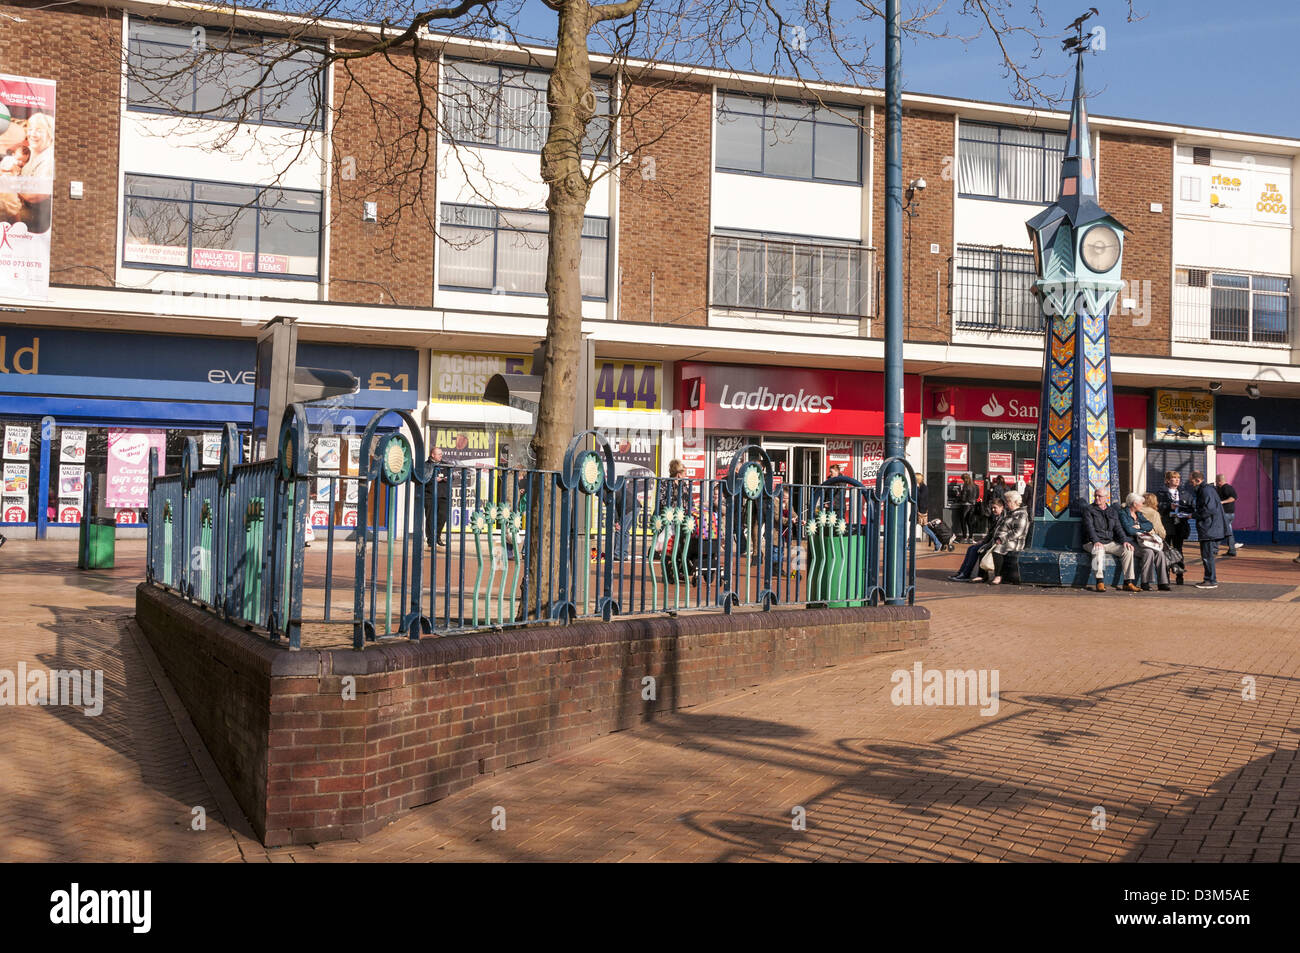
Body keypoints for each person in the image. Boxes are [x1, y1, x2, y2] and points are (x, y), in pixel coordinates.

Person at [1081, 486, 1139, 593]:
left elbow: (1118, 528)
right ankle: (1099, 581)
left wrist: (1125, 541)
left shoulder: (1112, 511)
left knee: (1128, 549)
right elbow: (1089, 528)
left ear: (1106, 498)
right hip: (1091, 542)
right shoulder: (1089, 510)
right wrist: (1096, 541)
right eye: (1095, 495)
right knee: (1098, 550)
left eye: (1099, 496)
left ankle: (1128, 582)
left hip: (1109, 542)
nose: (1097, 498)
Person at [1119, 492, 1170, 591]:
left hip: (1144, 541)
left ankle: (1163, 582)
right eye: (1141, 503)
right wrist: (1140, 530)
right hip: (1132, 542)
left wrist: (1139, 527)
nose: (1142, 505)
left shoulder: (1138, 514)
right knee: (1149, 552)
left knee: (1160, 553)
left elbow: (1149, 525)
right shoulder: (1123, 514)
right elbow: (1129, 530)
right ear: (1134, 504)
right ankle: (1145, 582)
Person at [948, 497, 1006, 582]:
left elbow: (998, 534)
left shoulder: (1004, 518)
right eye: (992, 508)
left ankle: (965, 574)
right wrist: (983, 540)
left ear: (1002, 507)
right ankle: (961, 572)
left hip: (997, 542)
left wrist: (985, 541)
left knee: (976, 549)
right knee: (971, 548)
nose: (993, 510)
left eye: (995, 508)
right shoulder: (996, 517)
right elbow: (991, 533)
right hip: (991, 541)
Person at [979, 489, 1029, 585]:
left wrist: (1002, 538)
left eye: (1008, 501)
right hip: (1002, 540)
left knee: (998, 549)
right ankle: (982, 575)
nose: (1006, 503)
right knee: (983, 549)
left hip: (1014, 541)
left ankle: (998, 575)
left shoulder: (1022, 514)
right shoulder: (1009, 513)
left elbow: (1017, 532)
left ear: (1014, 502)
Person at [1189, 470, 1227, 590]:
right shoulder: (1208, 490)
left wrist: (1193, 515)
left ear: (1198, 480)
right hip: (1211, 528)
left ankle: (1210, 580)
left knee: (1207, 555)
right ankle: (1210, 579)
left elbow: (1209, 509)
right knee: (1208, 555)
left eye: (1192, 482)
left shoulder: (1205, 490)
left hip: (1209, 529)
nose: (1191, 485)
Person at [1155, 470, 1192, 586]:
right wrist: (1168, 506)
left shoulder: (1184, 493)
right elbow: (1157, 506)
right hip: (1167, 525)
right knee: (1165, 550)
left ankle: (1179, 575)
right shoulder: (1161, 493)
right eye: (1174, 478)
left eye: (1178, 478)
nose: (1177, 480)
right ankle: (1165, 576)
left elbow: (1190, 507)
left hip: (1180, 525)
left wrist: (1186, 512)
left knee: (1178, 550)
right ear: (1168, 480)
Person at [423, 447, 451, 546]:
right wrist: (433, 480)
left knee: (442, 517)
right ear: (433, 455)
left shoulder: (446, 464)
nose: (441, 456)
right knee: (430, 518)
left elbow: (454, 476)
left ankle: (437, 536)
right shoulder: (426, 465)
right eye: (439, 454)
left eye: (441, 454)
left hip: (443, 495)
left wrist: (449, 478)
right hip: (430, 495)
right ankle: (430, 539)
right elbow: (422, 478)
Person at [1214, 474, 1243, 557]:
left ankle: (1214, 550)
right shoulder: (1220, 488)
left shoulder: (1227, 488)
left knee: (1219, 531)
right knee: (1228, 532)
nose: (1215, 482)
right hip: (1228, 514)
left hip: (1226, 514)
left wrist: (1222, 502)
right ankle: (1232, 550)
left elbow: (1233, 497)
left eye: (1216, 481)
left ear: (1220, 481)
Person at [915, 474, 942, 550]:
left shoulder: (924, 488)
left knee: (925, 529)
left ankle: (937, 543)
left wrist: (916, 489)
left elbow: (921, 498)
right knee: (914, 528)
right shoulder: (920, 487)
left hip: (921, 512)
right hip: (918, 511)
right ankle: (911, 546)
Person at [952, 474, 976, 544]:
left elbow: (963, 498)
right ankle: (971, 537)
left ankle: (964, 537)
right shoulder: (974, 486)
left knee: (963, 522)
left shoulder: (966, 486)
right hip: (972, 506)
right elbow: (976, 496)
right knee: (969, 522)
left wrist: (958, 495)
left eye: (962, 479)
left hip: (965, 506)